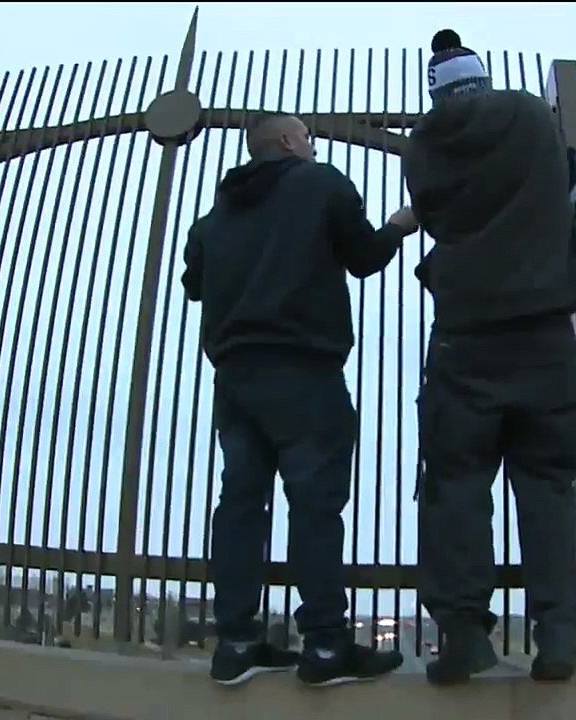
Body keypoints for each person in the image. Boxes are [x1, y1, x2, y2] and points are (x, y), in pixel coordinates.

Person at [181, 111, 418, 687]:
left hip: (235, 380)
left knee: (239, 504)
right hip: (305, 373)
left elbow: (194, 284)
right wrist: (396, 226)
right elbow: (363, 257)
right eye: (306, 138)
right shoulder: (322, 184)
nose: (311, 147)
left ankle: (235, 643)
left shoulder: (212, 219)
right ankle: (326, 647)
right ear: (289, 141)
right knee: (313, 507)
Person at [404, 29, 576, 686]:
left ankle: (462, 633)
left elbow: (434, 218)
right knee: (547, 483)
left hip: (466, 335)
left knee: (456, 482)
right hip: (546, 332)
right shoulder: (532, 119)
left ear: (434, 90)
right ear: (482, 76)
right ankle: (559, 632)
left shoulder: (426, 144)